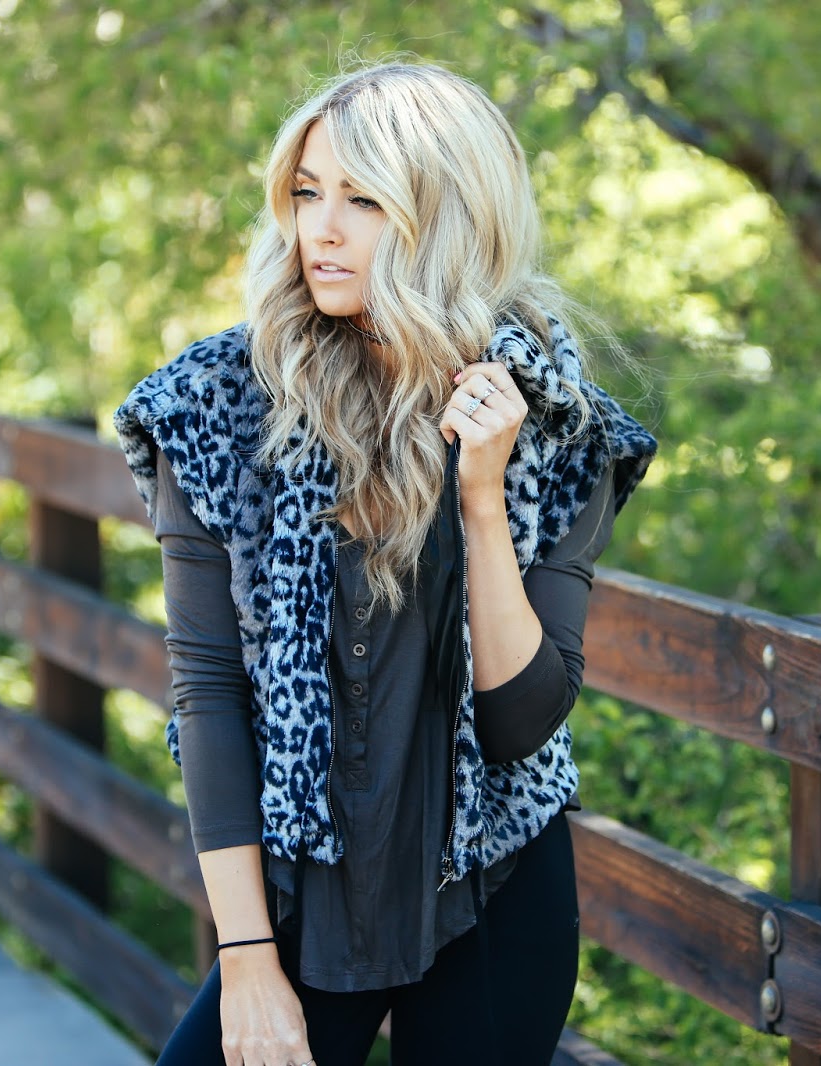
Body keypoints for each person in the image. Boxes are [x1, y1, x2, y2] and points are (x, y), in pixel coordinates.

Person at [114, 60, 656, 1066]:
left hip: (493, 889)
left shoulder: (555, 424)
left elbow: (521, 722)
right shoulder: (212, 406)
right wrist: (246, 957)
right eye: (306, 192)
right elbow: (208, 690)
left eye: (363, 200)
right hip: (302, 897)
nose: (320, 229)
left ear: (446, 215)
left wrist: (482, 497)